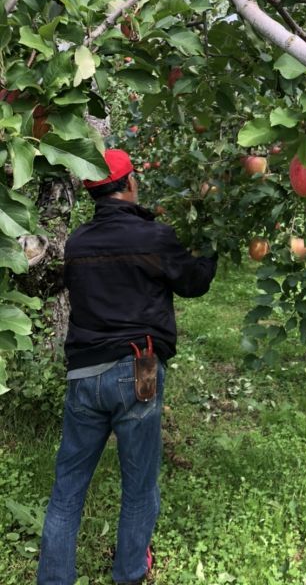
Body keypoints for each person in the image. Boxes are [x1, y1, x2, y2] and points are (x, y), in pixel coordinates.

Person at [37, 149, 218, 585]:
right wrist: (209, 240)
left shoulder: (77, 243)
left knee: (67, 490)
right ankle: (130, 572)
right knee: (139, 484)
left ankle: (54, 578)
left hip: (83, 374)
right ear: (130, 183)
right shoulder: (152, 237)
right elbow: (194, 283)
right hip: (138, 369)